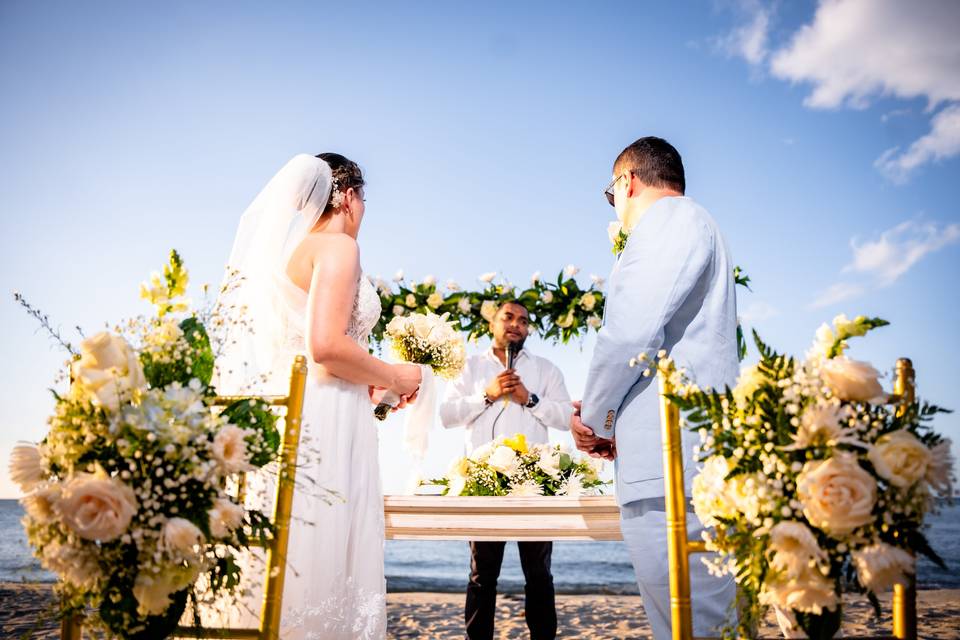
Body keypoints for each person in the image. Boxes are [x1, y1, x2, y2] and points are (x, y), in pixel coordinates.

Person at [216, 153, 421, 639]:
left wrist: (368, 382)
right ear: (347, 195)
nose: (363, 209)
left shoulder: (296, 252)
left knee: (297, 549)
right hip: (326, 420)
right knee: (328, 547)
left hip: (309, 409)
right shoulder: (337, 248)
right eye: (364, 198)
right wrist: (393, 375)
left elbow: (312, 351)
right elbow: (327, 346)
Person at [572, 137, 738, 639]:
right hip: (681, 457)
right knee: (690, 620)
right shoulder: (697, 226)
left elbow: (630, 332)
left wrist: (593, 419)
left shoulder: (671, 220)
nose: (616, 207)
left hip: (672, 460)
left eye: (611, 193)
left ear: (628, 181)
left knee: (691, 622)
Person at [439, 300, 572, 640]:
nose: (516, 324)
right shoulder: (468, 367)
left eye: (524, 321)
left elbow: (564, 417)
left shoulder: (546, 369)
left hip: (535, 484)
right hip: (484, 486)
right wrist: (487, 394)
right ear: (492, 324)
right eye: (508, 317)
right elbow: (447, 415)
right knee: (482, 575)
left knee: (539, 574)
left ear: (528, 330)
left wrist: (530, 398)